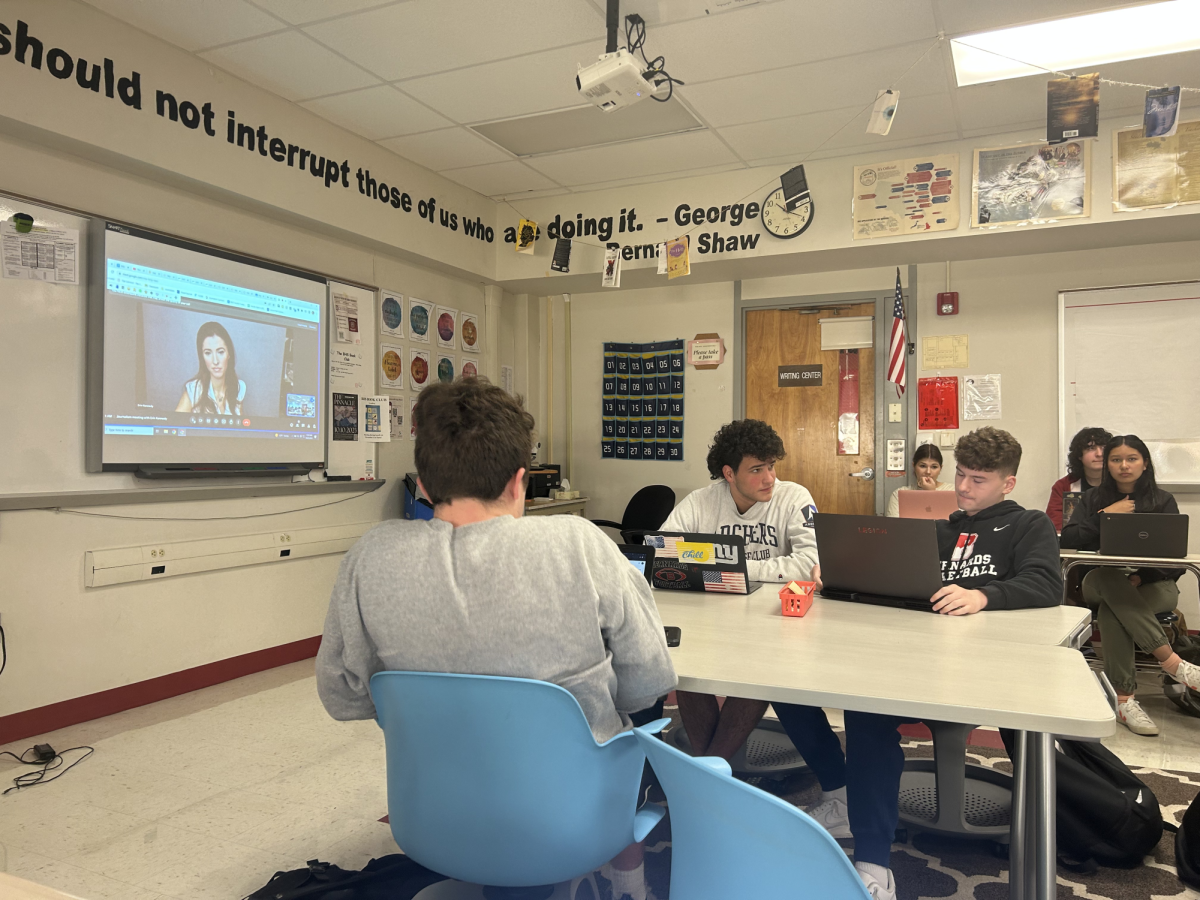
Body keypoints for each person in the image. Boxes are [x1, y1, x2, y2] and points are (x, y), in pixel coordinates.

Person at [316, 378, 676, 900]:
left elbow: (341, 697)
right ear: (520, 482)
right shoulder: (577, 543)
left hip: (434, 816)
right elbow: (649, 681)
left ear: (422, 483)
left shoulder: (369, 557)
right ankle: (629, 885)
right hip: (569, 817)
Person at [773, 426, 1062, 900]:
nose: (964, 487)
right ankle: (858, 829)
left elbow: (1047, 585)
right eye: (961, 476)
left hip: (984, 670)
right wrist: (843, 574)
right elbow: (896, 584)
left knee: (867, 710)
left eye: (979, 480)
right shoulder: (938, 529)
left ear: (1008, 483)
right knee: (795, 686)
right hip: (914, 661)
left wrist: (983, 595)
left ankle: (869, 852)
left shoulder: (1027, 525)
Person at [658, 419, 819, 761]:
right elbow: (664, 550)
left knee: (761, 671)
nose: (769, 478)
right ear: (729, 474)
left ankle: (704, 773)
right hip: (713, 620)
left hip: (773, 621)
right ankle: (712, 770)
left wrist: (735, 569)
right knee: (683, 666)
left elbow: (810, 561)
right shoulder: (702, 502)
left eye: (772, 466)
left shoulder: (794, 498)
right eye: (757, 469)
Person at [1061, 434, 1200, 736]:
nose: (1124, 465)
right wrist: (1106, 515)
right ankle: (1174, 664)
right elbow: (1068, 539)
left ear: (1145, 463)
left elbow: (1173, 559)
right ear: (1108, 465)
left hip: (1154, 586)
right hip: (1099, 581)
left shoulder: (1163, 501)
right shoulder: (1093, 500)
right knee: (1107, 579)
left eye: (1131, 458)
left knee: (1114, 612)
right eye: (1116, 459)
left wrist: (1141, 577)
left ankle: (1124, 700)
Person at [1046, 426, 1112, 532]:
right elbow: (1055, 528)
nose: (1099, 454)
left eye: (1104, 448)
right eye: (1091, 448)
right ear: (1079, 455)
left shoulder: (1122, 483)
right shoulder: (1063, 486)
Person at [175, 321, 246, 415]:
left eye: (220, 352)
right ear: (202, 357)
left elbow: (240, 428)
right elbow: (174, 427)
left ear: (229, 354)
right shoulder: (193, 391)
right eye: (208, 353)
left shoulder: (239, 387)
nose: (215, 361)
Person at [884, 443, 956, 517]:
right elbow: (895, 526)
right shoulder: (899, 495)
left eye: (934, 467)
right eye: (923, 466)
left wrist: (931, 493)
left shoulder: (953, 492)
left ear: (940, 468)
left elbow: (954, 526)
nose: (928, 472)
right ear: (914, 466)